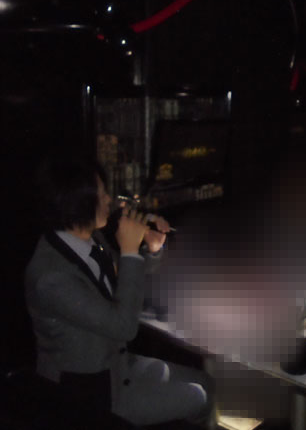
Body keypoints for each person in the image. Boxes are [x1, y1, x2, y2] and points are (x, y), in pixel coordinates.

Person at [24, 155, 214, 428]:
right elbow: (123, 326)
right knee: (201, 397)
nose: (109, 200)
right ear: (75, 202)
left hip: (120, 367)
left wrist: (151, 249)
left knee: (206, 381)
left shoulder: (90, 238)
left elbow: (126, 282)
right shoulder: (51, 277)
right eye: (101, 194)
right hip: (89, 394)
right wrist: (129, 249)